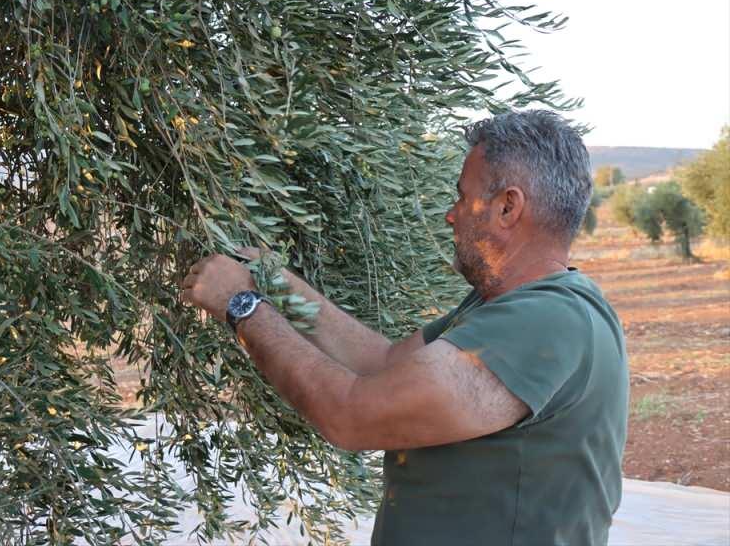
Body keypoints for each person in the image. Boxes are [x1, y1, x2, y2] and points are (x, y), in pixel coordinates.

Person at [181, 110, 628, 546]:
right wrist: (277, 282)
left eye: (461, 196)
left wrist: (243, 306)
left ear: (508, 206)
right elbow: (383, 361)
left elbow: (351, 417)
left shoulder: (545, 322)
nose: (452, 215)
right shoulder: (511, 305)